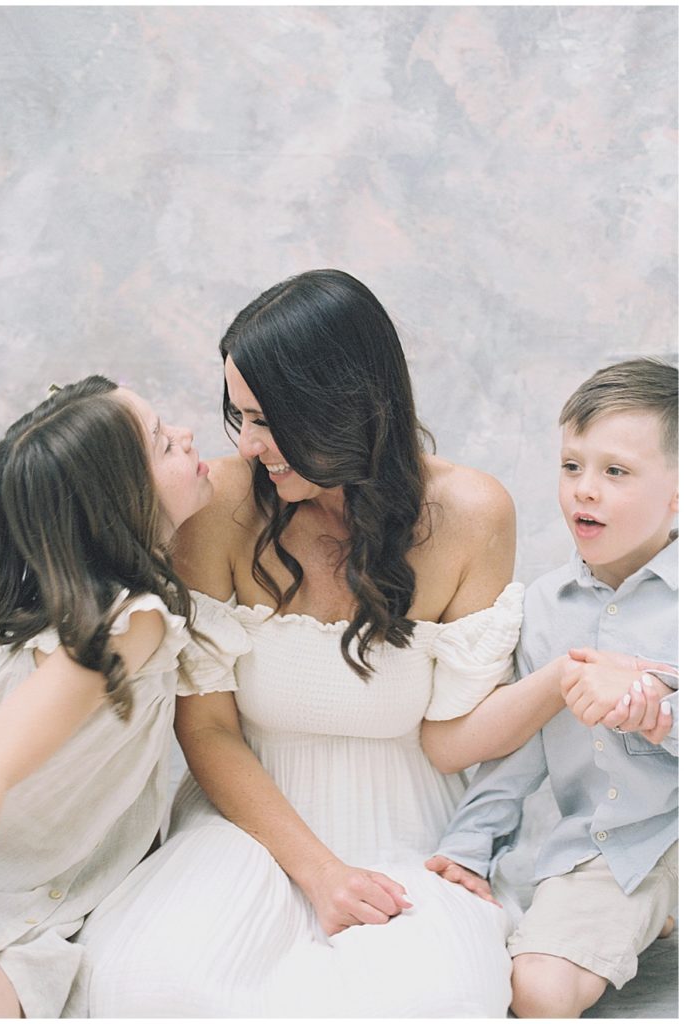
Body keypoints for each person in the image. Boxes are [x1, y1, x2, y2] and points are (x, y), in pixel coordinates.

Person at [76, 271, 649, 1017]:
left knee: (422, 1000)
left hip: (410, 824)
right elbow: (207, 726)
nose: (247, 444)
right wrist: (317, 873)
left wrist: (557, 682)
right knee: (151, 984)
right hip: (246, 815)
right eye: (238, 417)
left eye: (267, 420)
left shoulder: (471, 513)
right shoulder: (217, 504)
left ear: (344, 408)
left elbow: (452, 738)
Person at [0, 375, 243, 1019]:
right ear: (119, 499)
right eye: (160, 442)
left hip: (36, 904)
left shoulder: (112, 607)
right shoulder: (126, 621)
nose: (185, 435)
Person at [428, 357, 678, 1018]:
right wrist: (467, 849)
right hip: (613, 850)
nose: (582, 491)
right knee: (533, 992)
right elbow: (517, 752)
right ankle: (642, 920)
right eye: (571, 466)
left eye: (614, 472)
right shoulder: (544, 606)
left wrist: (661, 713)